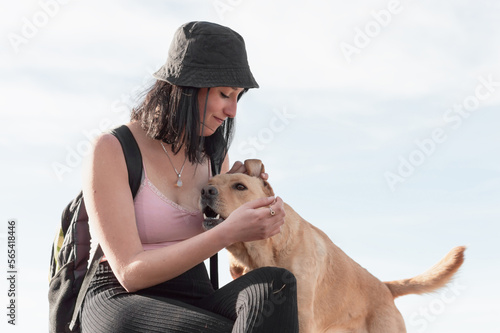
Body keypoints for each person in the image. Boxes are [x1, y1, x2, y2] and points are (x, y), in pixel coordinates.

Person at [80, 21, 299, 332]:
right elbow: (130, 272)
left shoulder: (214, 157)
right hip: (122, 295)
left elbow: (224, 233)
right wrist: (226, 232)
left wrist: (240, 196)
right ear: (187, 89)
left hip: (195, 292)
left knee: (277, 284)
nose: (233, 110)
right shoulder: (113, 149)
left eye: (239, 96)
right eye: (225, 94)